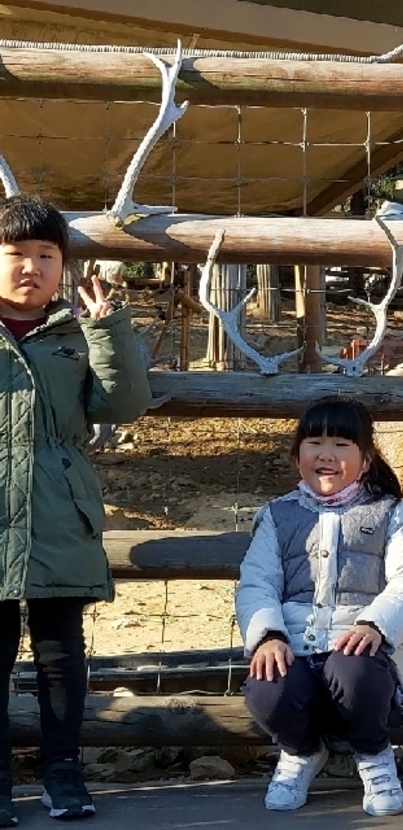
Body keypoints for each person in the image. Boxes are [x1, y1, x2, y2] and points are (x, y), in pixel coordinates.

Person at [0, 193, 152, 825]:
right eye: (16, 253)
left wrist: (107, 330)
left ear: (63, 266)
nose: (31, 267)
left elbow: (123, 405)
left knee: (61, 652)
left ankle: (63, 770)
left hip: (60, 511)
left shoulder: (75, 334)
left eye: (47, 255)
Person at [235, 397, 403, 817]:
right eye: (315, 443)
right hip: (294, 645)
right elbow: (257, 583)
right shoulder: (277, 516)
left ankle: (374, 753)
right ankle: (301, 752)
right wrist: (268, 635)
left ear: (365, 461)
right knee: (268, 685)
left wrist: (375, 625)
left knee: (356, 671)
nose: (327, 454)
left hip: (361, 647)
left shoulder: (388, 512)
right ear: (297, 456)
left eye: (342, 445)